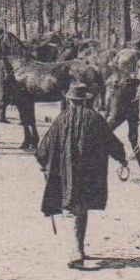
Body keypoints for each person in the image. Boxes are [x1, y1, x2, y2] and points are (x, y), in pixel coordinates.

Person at [35, 82, 129, 269]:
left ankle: (75, 251)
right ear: (86, 101)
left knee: (71, 208)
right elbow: (111, 142)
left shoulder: (61, 118)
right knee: (82, 208)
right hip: (89, 175)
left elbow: (44, 145)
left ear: (69, 100)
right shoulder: (95, 118)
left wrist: (42, 161)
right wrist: (122, 159)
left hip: (67, 173)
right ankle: (78, 248)